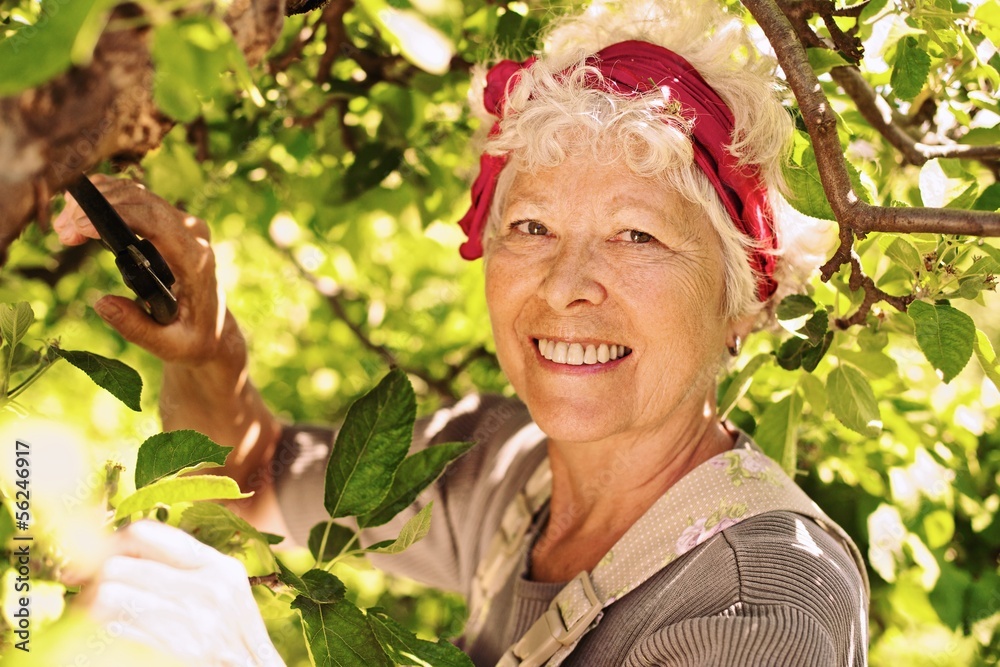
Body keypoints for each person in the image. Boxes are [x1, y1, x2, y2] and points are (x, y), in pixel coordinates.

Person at [54, 0, 869, 665]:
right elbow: (254, 479)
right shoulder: (507, 470)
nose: (565, 284)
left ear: (743, 299)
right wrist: (209, 351)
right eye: (532, 225)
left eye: (636, 236)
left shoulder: (763, 609)